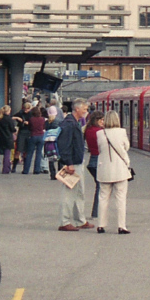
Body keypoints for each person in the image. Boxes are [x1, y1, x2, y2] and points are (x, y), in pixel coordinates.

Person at [55, 99, 93, 232]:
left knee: (79, 192)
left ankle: (80, 220)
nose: (86, 112)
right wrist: (68, 163)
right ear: (77, 109)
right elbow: (64, 145)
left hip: (77, 161)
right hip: (73, 163)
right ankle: (65, 221)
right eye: (85, 109)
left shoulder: (73, 123)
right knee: (70, 193)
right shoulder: (70, 124)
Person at [95, 111, 131, 234]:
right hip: (120, 169)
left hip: (104, 169)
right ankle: (122, 226)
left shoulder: (100, 133)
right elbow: (126, 147)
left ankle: (101, 225)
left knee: (103, 198)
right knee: (121, 198)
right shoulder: (122, 132)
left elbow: (100, 149)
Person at [84, 110, 104, 219]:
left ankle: (96, 211)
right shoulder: (100, 132)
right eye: (101, 120)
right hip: (100, 160)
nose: (103, 122)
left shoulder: (88, 130)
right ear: (96, 120)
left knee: (99, 186)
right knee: (101, 187)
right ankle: (97, 212)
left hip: (92, 160)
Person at [23, 107, 47, 176]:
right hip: (41, 136)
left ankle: (26, 170)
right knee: (38, 153)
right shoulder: (42, 119)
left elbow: (30, 127)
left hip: (33, 135)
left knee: (29, 153)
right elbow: (43, 127)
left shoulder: (31, 119)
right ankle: (37, 170)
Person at [11, 100, 32, 173]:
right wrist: (18, 118)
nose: (26, 110)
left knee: (26, 151)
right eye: (25, 109)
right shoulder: (20, 113)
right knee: (18, 150)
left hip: (28, 132)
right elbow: (12, 117)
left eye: (27, 109)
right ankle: (14, 167)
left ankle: (25, 168)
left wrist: (28, 123)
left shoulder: (31, 114)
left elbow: (32, 123)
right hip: (22, 131)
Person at [0, 105, 16, 174]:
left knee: (5, 153)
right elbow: (12, 129)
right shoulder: (9, 119)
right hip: (8, 138)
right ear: (8, 111)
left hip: (1, 138)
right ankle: (6, 168)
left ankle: (7, 167)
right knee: (7, 154)